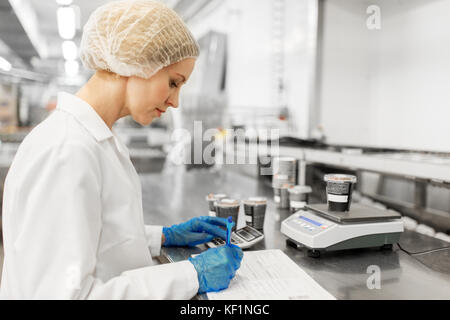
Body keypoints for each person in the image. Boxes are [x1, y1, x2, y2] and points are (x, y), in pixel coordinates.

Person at [0, 0, 243, 299]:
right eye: (172, 82)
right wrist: (190, 275)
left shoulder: (94, 138)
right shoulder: (67, 151)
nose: (175, 101)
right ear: (136, 62)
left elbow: (94, 238)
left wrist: (161, 236)